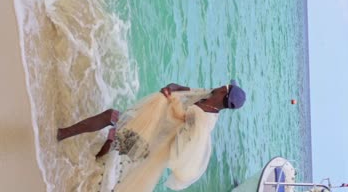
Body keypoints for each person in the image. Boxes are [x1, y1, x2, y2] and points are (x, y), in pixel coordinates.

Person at [57, 80, 246, 191]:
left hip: (151, 142)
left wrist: (173, 105)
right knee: (115, 139)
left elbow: (184, 145)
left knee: (113, 127)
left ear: (224, 91)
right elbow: (180, 89)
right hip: (149, 125)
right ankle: (93, 163)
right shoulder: (208, 95)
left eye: (226, 85)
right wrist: (170, 90)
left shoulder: (203, 122)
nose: (223, 84)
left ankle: (63, 137)